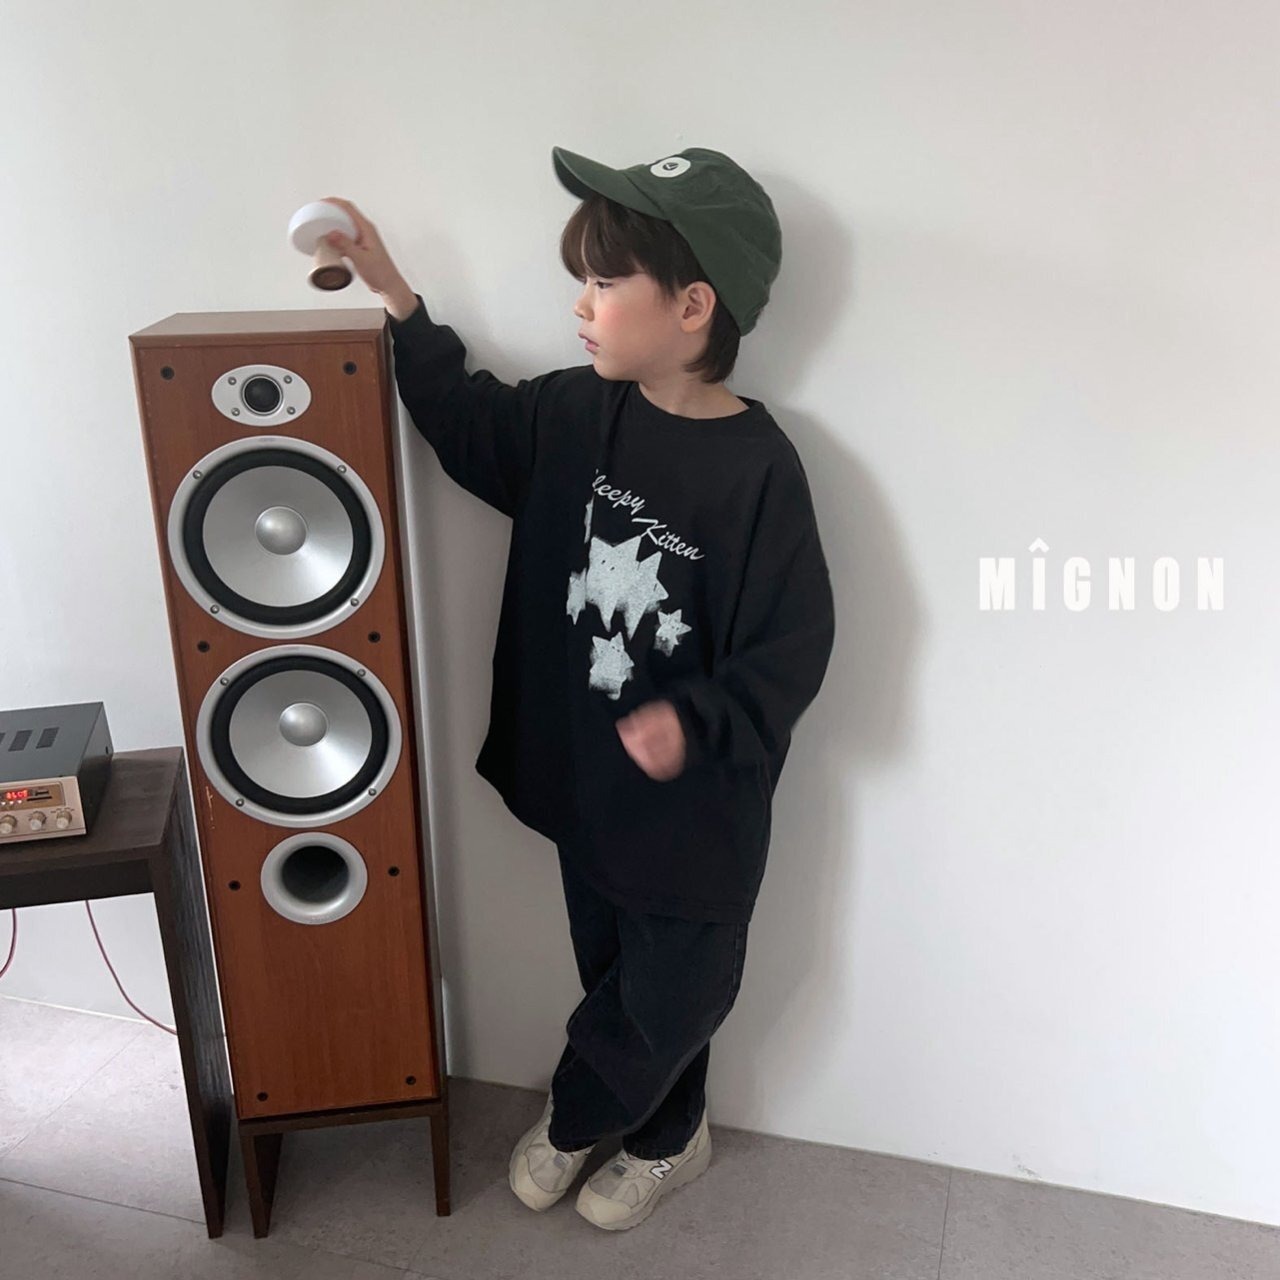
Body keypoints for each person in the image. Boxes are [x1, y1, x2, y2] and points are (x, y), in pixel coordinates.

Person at [320, 145, 835, 1232]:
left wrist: (694, 720)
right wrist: (397, 295)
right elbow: (468, 423)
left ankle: (575, 1111)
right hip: (588, 786)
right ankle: (667, 1135)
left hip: (693, 812)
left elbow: (790, 648)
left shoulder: (759, 471)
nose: (580, 304)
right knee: (610, 968)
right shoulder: (572, 413)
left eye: (604, 281)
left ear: (692, 305)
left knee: (674, 992)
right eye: (582, 280)